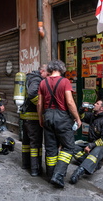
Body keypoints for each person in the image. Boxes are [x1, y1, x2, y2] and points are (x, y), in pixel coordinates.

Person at [37, 59, 81, 188]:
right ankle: (59, 174)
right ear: (61, 69)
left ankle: (51, 176)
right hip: (62, 117)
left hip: (48, 116)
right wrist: (77, 118)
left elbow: (39, 103)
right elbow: (70, 102)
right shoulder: (65, 82)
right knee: (69, 147)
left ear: (50, 69)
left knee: (51, 148)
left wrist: (41, 118)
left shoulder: (43, 83)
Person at [70, 99, 103, 184]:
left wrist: (91, 146)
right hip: (89, 144)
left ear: (101, 108)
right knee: (73, 148)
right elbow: (80, 116)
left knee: (94, 154)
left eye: (97, 104)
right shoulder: (92, 116)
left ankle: (78, 172)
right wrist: (82, 108)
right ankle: (94, 164)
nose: (94, 104)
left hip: (100, 147)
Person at [20, 64, 48, 176]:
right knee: (35, 143)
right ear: (42, 71)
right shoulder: (37, 79)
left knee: (26, 143)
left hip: (26, 116)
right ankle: (35, 169)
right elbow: (32, 94)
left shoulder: (29, 77)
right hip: (33, 116)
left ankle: (26, 164)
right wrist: (40, 106)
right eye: (47, 73)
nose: (48, 76)